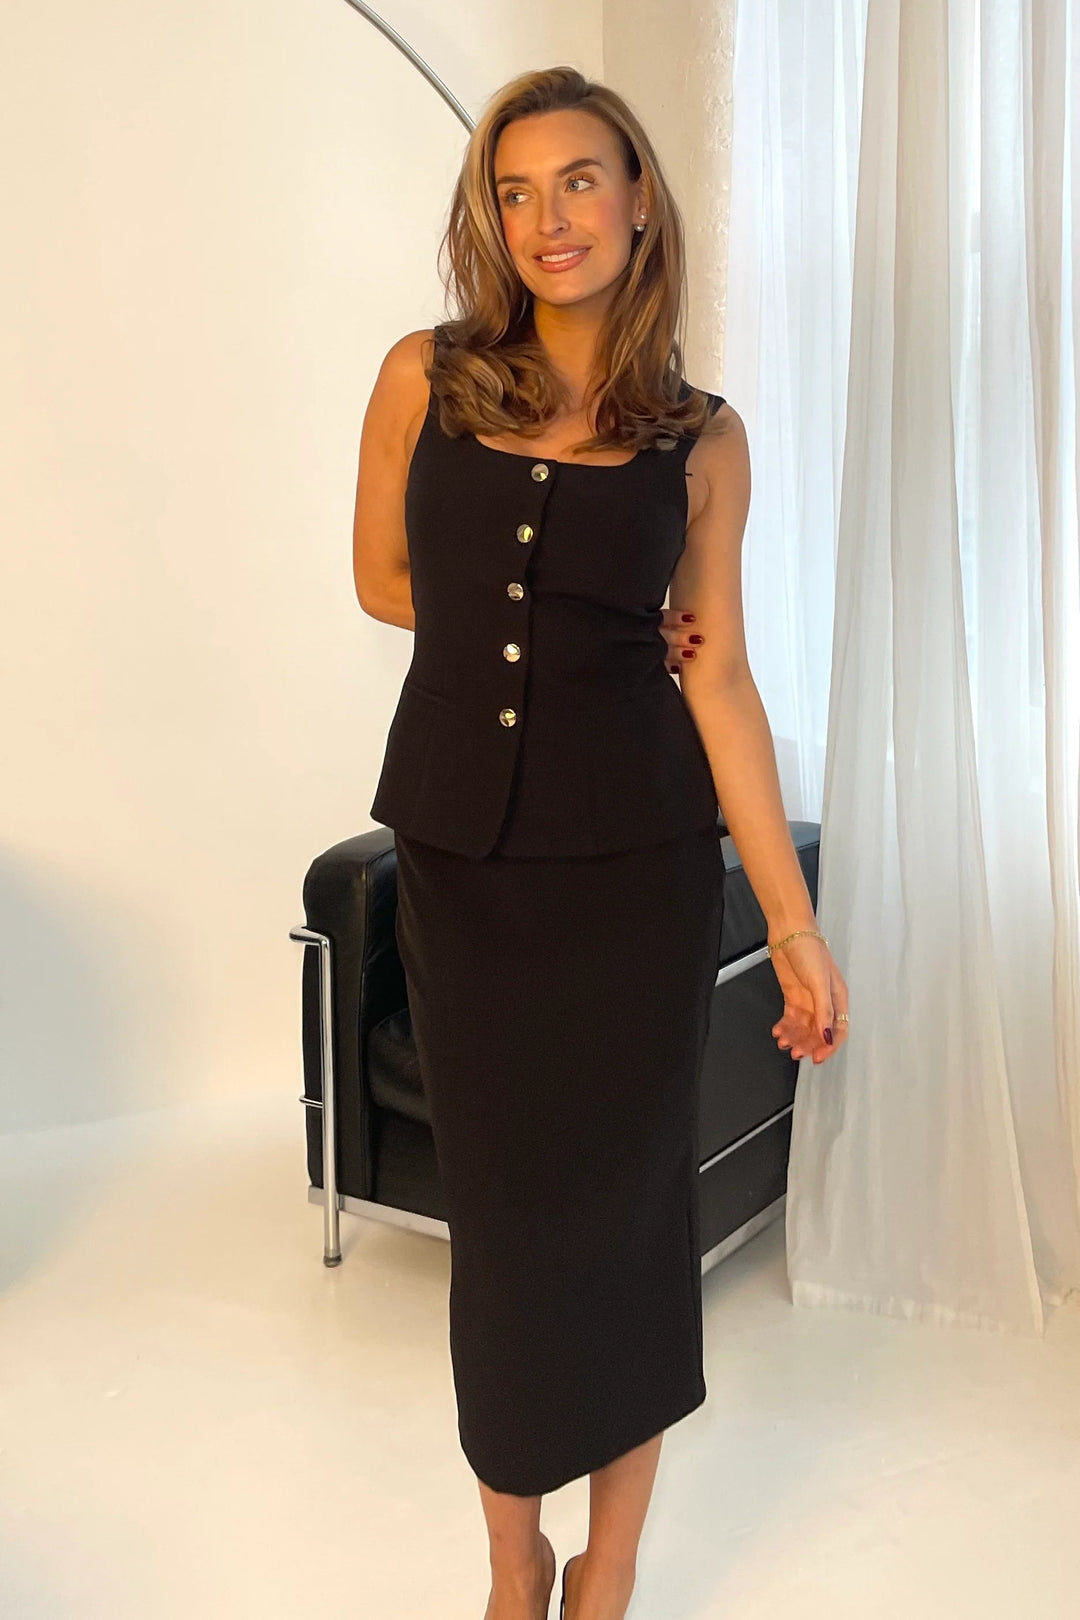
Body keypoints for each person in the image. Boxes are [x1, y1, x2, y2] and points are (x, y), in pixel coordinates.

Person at [353, 65, 849, 1620]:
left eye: (578, 180)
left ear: (640, 201)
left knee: (632, 1219)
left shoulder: (705, 439)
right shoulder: (424, 377)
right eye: (515, 191)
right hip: (465, 865)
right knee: (504, 1228)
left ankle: (611, 1559)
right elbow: (384, 580)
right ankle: (515, 1554)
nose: (547, 217)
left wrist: (792, 921)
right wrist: (571, 626)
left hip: (637, 872)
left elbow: (722, 677)